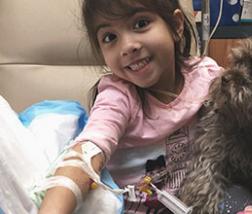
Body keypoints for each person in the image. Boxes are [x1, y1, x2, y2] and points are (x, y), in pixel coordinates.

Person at [39, 0, 223, 213]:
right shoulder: (118, 97)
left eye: (141, 23)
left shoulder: (207, 76)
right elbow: (85, 154)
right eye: (110, 37)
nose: (127, 46)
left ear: (176, 24)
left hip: (201, 202)